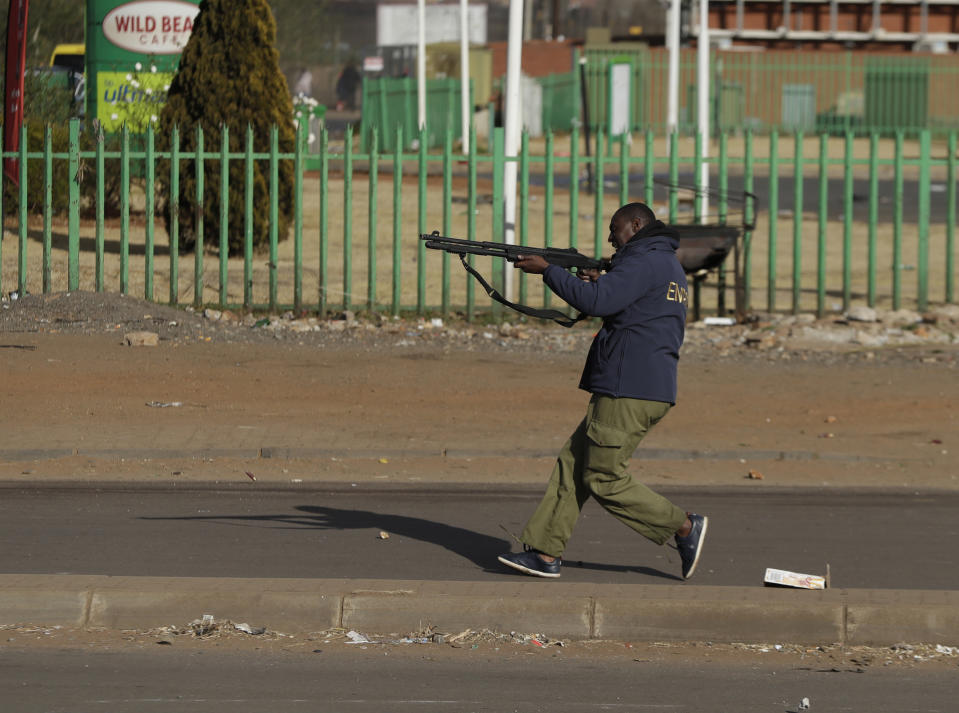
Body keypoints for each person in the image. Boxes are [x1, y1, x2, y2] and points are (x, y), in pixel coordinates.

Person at [497, 202, 707, 580]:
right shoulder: (663, 263)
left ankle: (684, 527)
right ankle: (546, 554)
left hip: (630, 388)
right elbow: (627, 306)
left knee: (603, 476)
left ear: (637, 225)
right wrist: (595, 279)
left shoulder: (644, 261)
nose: (611, 237)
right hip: (638, 385)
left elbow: (597, 303)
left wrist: (549, 271)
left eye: (616, 229)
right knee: (574, 464)